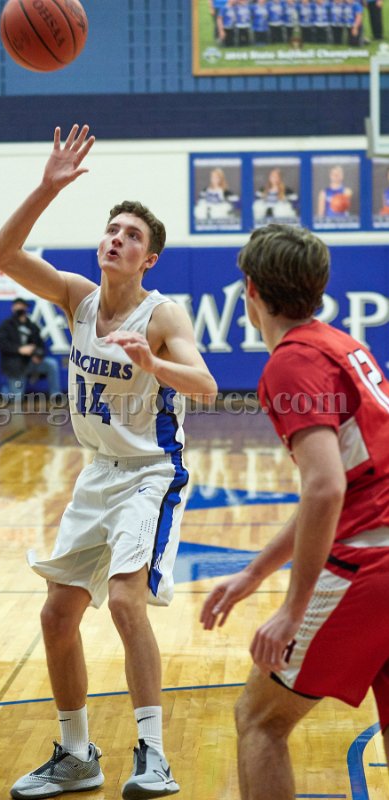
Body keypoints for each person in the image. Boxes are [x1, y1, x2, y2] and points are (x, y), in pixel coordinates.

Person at [0, 124, 217, 800]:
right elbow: (1, 253)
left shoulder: (162, 315)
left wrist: (154, 363)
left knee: (122, 601)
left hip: (151, 473)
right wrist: (46, 188)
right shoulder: (77, 297)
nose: (116, 239)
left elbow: (205, 387)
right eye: (111, 230)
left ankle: (154, 755)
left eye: (131, 236)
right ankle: (76, 754)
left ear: (149, 259)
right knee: (56, 617)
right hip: (97, 473)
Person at [201, 223, 389, 800]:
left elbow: (326, 489)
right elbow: (340, 485)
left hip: (370, 566)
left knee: (260, 720)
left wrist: (293, 608)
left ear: (251, 291)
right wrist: (255, 572)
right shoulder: (344, 345)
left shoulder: (292, 362)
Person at [0, 297, 61, 400]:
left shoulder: (32, 326)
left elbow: (41, 345)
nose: (20, 309)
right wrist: (19, 349)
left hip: (31, 362)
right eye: (18, 307)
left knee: (51, 364)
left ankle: (55, 394)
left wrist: (38, 355)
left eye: (22, 307)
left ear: (26, 308)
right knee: (17, 398)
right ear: (13, 308)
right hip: (15, 364)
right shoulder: (7, 325)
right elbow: (1, 344)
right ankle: (6, 390)